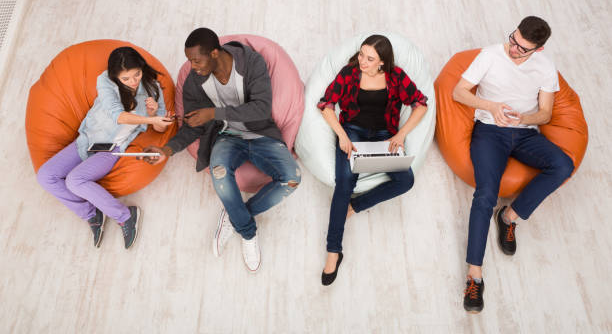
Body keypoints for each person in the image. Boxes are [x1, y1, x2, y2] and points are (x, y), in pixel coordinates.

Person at [144, 28, 300, 273]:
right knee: (219, 174)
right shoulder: (195, 80)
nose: (192, 66)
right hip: (228, 137)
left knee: (292, 179)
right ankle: (248, 232)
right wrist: (167, 149)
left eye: (196, 60)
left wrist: (215, 112)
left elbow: (261, 108)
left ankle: (235, 216)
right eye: (189, 60)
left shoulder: (251, 62)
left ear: (215, 53)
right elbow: (192, 125)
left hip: (261, 133)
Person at [453, 16, 575, 313]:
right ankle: (474, 275)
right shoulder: (491, 55)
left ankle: (509, 217)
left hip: (524, 132)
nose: (513, 49)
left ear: (539, 50)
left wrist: (523, 118)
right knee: (485, 194)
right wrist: (492, 106)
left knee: (562, 165)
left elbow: (545, 113)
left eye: (522, 48)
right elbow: (459, 92)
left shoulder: (545, 67)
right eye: (513, 39)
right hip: (489, 132)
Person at [317, 34, 428, 285]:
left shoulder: (396, 77)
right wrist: (343, 137)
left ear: (382, 62)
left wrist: (401, 134)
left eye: (369, 58)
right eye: (361, 55)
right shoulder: (349, 73)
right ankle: (333, 251)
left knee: (406, 180)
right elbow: (326, 105)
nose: (362, 61)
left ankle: (354, 207)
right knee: (344, 183)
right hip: (352, 132)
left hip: (384, 136)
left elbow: (421, 104)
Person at [36, 46, 173, 249]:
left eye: (137, 74)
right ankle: (92, 213)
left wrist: (155, 116)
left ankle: (126, 216)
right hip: (88, 139)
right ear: (116, 76)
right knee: (45, 175)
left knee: (75, 181)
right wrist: (148, 117)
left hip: (111, 148)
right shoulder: (105, 81)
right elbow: (117, 115)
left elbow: (162, 128)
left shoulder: (153, 88)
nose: (133, 81)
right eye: (126, 78)